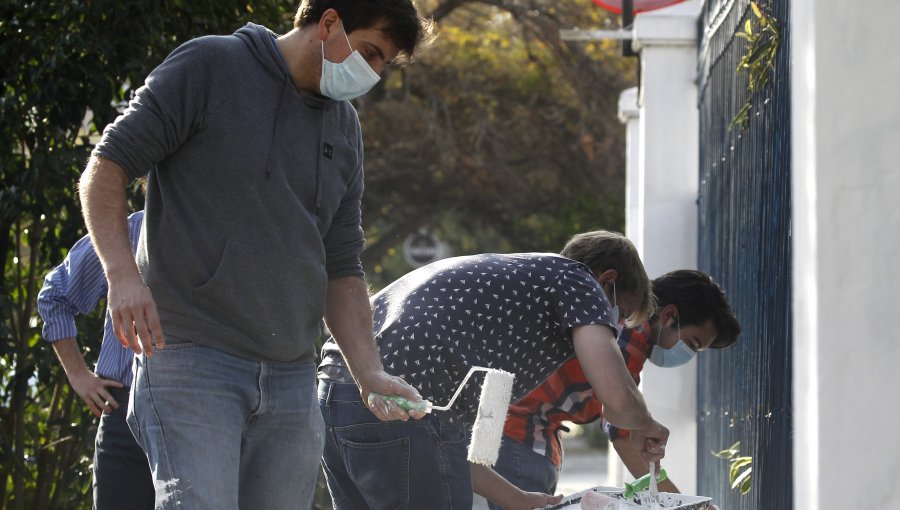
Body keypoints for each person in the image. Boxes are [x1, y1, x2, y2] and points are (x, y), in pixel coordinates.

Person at [77, 1, 435, 507]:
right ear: (329, 22)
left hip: (292, 375)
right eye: (371, 53)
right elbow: (107, 166)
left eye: (383, 64)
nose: (373, 73)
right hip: (191, 357)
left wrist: (368, 371)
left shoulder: (344, 128)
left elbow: (343, 265)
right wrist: (122, 276)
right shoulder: (211, 66)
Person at [318, 230, 671, 510]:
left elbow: (449, 439)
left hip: (339, 391)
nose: (615, 326)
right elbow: (617, 398)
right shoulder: (577, 280)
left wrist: (516, 499)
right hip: (402, 400)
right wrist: (646, 425)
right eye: (619, 314)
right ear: (606, 280)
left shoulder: (511, 299)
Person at [494, 269, 741, 507]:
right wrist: (686, 506)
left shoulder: (626, 330)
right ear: (669, 316)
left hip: (520, 426)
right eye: (692, 343)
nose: (688, 354)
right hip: (519, 428)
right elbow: (623, 434)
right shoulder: (632, 335)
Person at [37, 211, 153, 510]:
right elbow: (55, 296)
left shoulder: (219, 229)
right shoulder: (128, 230)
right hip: (124, 414)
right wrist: (79, 375)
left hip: (202, 415)